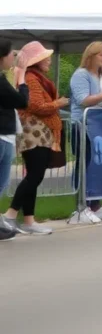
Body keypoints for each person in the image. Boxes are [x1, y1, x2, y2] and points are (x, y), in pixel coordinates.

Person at [3, 41, 67, 235]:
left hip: (39, 133)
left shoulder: (36, 78)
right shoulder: (31, 78)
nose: (49, 60)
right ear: (36, 61)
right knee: (34, 175)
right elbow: (35, 105)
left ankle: (29, 220)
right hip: (34, 133)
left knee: (34, 175)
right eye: (44, 57)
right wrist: (58, 103)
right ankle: (11, 214)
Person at [67, 41, 102, 223]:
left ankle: (95, 205)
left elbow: (101, 101)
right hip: (81, 126)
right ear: (91, 56)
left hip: (96, 127)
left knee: (96, 165)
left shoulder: (99, 76)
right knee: (84, 165)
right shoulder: (81, 75)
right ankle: (81, 207)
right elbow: (84, 100)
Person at [0, 40, 29, 240]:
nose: (14, 57)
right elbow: (22, 101)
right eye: (12, 54)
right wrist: (21, 77)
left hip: (6, 135)